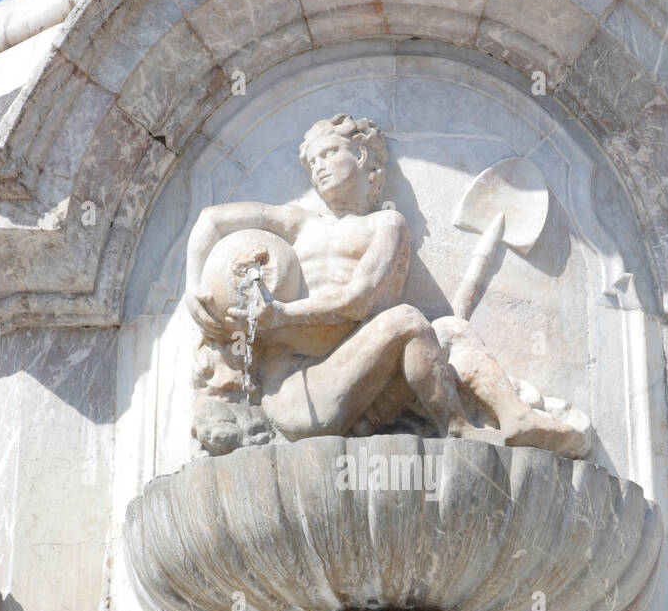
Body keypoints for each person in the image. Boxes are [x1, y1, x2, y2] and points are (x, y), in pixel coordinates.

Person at [185, 113, 589, 455]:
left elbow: (359, 301)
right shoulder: (298, 222)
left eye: (329, 153)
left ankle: (516, 416)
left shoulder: (387, 224)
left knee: (450, 329)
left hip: (361, 386)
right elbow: (211, 220)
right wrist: (192, 288)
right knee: (408, 321)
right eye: (313, 162)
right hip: (298, 393)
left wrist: (280, 314)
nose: (320, 166)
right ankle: (457, 427)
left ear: (361, 156)